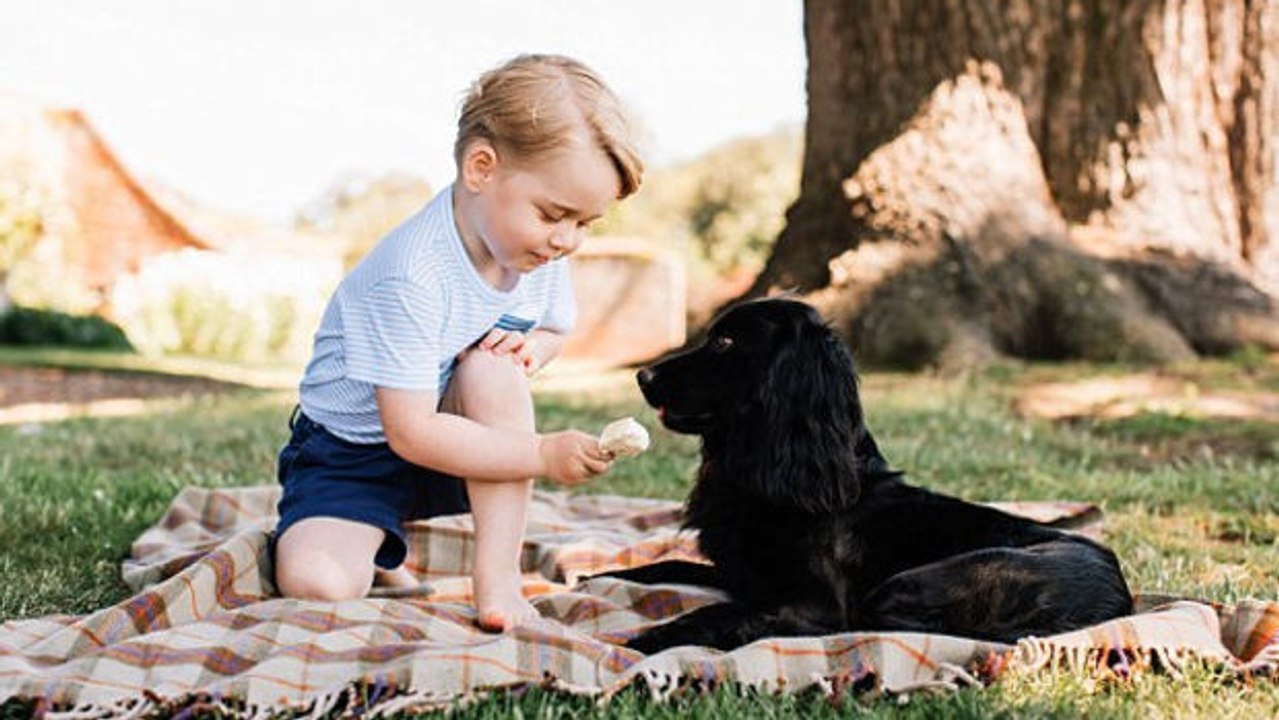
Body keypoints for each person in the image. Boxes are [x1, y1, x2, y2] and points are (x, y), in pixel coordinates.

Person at [271, 53, 644, 632]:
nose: (567, 240)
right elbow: (410, 431)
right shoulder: (411, 274)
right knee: (319, 586)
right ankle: (362, 537)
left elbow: (551, 329)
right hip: (353, 453)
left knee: (494, 372)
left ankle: (497, 583)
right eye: (555, 214)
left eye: (585, 223)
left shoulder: (535, 249)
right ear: (481, 168)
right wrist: (543, 454)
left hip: (456, 439)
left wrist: (531, 352)